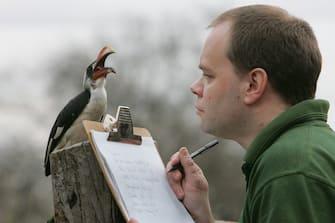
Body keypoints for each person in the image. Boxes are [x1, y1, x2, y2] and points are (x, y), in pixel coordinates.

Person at [129, 4, 335, 223]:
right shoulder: (302, 151)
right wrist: (203, 219)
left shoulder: (290, 169)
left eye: (208, 75)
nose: (195, 87)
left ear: (253, 84)